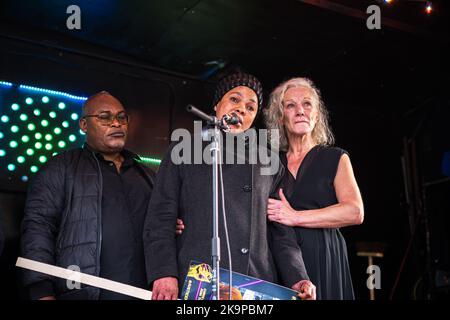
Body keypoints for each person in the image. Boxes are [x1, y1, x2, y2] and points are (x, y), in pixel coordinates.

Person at [144, 72, 316, 300]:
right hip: (199, 280)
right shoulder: (183, 151)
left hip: (255, 283)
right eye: (234, 99)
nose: (242, 109)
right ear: (217, 105)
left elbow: (280, 232)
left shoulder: (269, 161)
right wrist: (164, 273)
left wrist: (298, 276)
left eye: (251, 107)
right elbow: (160, 218)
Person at [20, 91, 155, 300]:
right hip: (84, 293)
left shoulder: (146, 174)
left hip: (145, 293)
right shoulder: (61, 167)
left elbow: (162, 226)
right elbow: (38, 227)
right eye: (104, 117)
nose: (116, 124)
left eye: (121, 117)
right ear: (84, 125)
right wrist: (41, 290)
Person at [264, 77, 364, 299]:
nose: (300, 111)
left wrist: (296, 217)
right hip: (282, 259)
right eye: (291, 105)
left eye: (307, 104)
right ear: (281, 117)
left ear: (317, 114)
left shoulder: (336, 157)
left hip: (325, 254)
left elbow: (355, 212)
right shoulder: (269, 163)